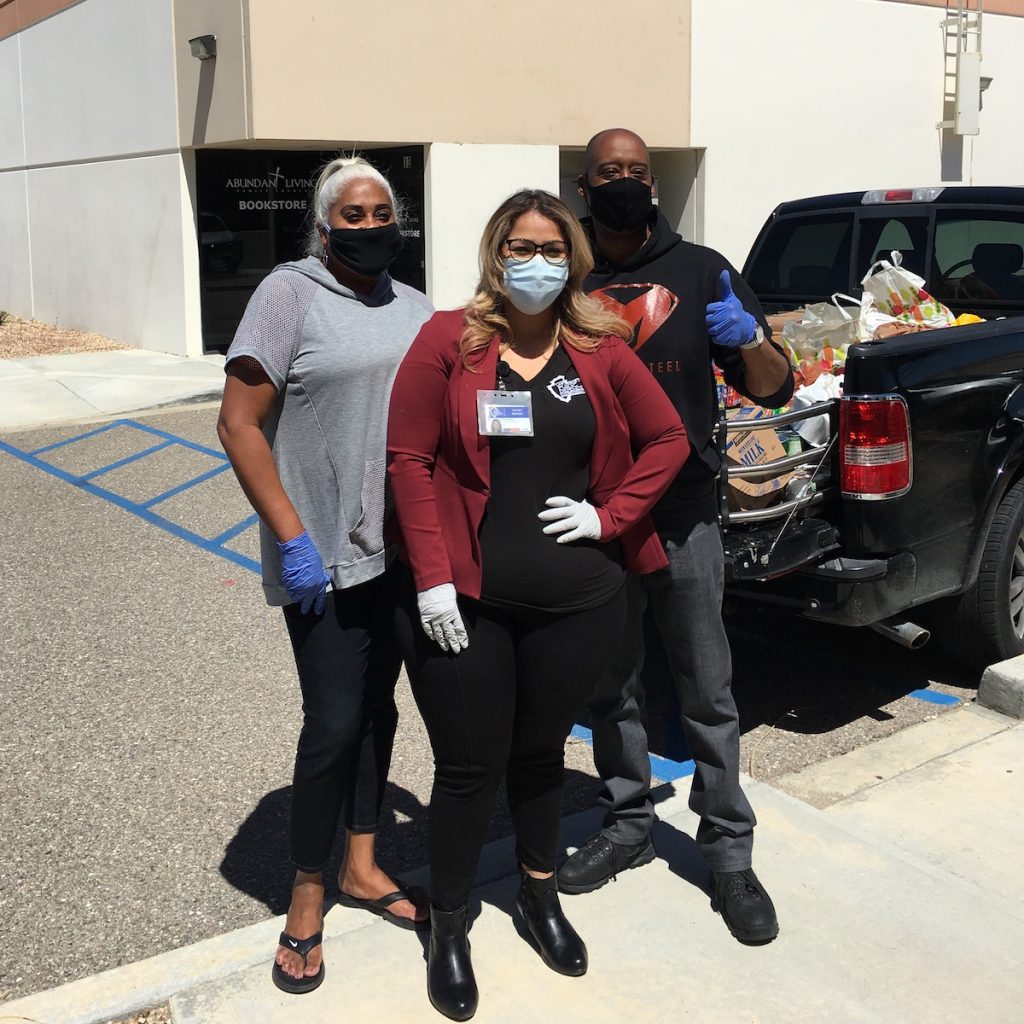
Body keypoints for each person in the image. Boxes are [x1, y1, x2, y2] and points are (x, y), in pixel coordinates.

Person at [387, 189, 689, 1020]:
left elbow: (669, 440)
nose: (536, 263)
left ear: (573, 260)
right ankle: (449, 924)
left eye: (552, 249)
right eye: (520, 248)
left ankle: (537, 895)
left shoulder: (599, 346)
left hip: (578, 602)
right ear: (496, 254)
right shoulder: (447, 340)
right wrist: (432, 575)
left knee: (542, 755)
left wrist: (610, 516)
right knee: (468, 767)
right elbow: (408, 459)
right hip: (469, 603)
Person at [556, 129, 793, 946]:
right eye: (606, 173)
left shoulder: (703, 271)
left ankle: (729, 848)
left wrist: (747, 337)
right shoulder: (569, 280)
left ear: (651, 185)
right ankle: (626, 821)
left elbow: (771, 384)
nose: (622, 183)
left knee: (705, 684)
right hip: (598, 516)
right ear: (583, 188)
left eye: (635, 172)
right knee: (612, 685)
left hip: (686, 509)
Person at [217, 155, 433, 995]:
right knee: (334, 720)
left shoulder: (414, 307)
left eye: (383, 212)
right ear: (322, 225)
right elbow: (238, 423)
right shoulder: (288, 294)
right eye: (354, 214)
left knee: (379, 708)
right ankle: (305, 896)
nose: (372, 226)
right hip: (324, 559)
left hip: (401, 552)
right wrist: (291, 538)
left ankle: (364, 867)